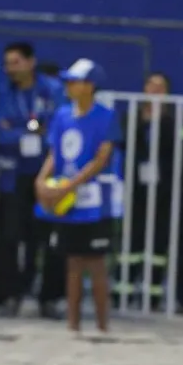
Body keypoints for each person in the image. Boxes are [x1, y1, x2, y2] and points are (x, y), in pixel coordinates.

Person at [34, 58, 122, 333]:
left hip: (94, 199)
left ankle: (102, 325)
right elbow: (54, 152)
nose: (69, 86)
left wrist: (70, 185)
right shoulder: (62, 115)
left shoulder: (106, 116)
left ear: (91, 86)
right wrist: (41, 181)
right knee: (71, 260)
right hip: (67, 199)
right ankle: (73, 325)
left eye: (75, 81)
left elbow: (102, 157)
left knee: (96, 262)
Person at [0, 42, 66, 318]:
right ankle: (10, 295)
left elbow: (57, 128)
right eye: (7, 63)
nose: (10, 69)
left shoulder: (53, 89)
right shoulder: (4, 91)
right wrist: (31, 130)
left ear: (30, 62)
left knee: (48, 239)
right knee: (10, 238)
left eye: (15, 62)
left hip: (47, 175)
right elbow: (1, 133)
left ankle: (49, 298)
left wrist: (20, 129)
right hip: (14, 175)